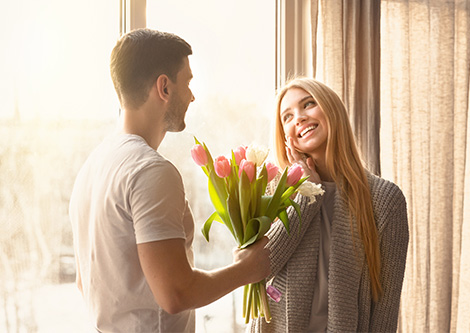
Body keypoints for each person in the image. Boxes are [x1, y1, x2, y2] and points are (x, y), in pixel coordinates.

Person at [69, 28, 270, 333]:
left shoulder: (92, 166)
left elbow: (84, 283)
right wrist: (248, 269)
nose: (192, 95)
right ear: (164, 87)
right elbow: (176, 294)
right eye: (187, 82)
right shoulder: (150, 170)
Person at [249, 77, 409, 332]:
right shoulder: (272, 190)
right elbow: (256, 269)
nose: (299, 118)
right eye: (287, 117)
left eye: (308, 104)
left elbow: (385, 310)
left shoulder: (385, 200)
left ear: (332, 109)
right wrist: (306, 195)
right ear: (284, 136)